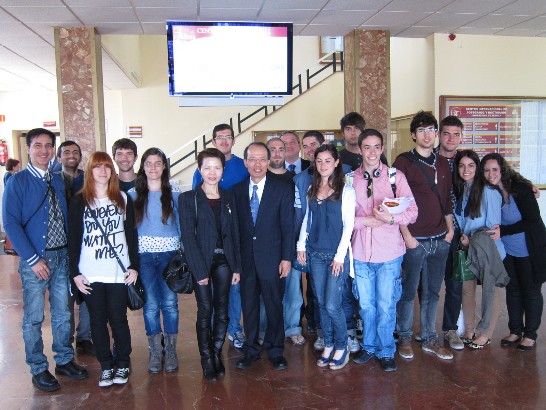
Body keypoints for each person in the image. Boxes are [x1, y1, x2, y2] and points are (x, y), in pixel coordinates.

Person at [2, 128, 87, 392]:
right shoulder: (18, 181)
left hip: (62, 256)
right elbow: (11, 223)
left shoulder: (57, 179)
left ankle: (64, 359)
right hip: (36, 260)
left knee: (63, 314)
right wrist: (32, 259)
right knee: (34, 317)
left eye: (48, 145)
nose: (43, 150)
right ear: (28, 149)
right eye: (37, 145)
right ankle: (38, 368)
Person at [68, 151, 139, 387]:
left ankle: (123, 363)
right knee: (97, 321)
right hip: (90, 272)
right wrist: (75, 274)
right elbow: (74, 239)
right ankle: (106, 366)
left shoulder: (123, 198)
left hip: (118, 272)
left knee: (118, 320)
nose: (102, 171)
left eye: (107, 166)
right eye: (97, 166)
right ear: (90, 171)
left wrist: (134, 266)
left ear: (112, 171)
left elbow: (131, 236)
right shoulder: (79, 201)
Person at [351, 129, 418, 372]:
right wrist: (364, 221)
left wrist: (390, 219)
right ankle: (369, 346)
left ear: (382, 148)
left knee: (386, 305)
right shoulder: (350, 180)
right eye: (366, 147)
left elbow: (412, 212)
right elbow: (343, 218)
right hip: (360, 253)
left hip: (389, 253)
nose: (372, 152)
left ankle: (386, 350)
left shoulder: (395, 177)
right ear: (360, 149)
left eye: (376, 146)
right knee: (366, 306)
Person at [393, 111, 454, 361]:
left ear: (436, 133)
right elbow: (395, 203)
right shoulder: (403, 162)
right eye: (421, 130)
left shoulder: (443, 163)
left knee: (432, 293)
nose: (427, 135)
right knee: (408, 292)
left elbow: (447, 199)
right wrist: (406, 235)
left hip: (440, 238)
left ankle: (429, 339)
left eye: (431, 130)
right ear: (413, 135)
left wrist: (450, 231)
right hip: (414, 239)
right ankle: (405, 337)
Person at [180, 148, 242, 381]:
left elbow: (235, 234)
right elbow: (188, 237)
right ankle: (206, 358)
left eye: (217, 167)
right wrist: (199, 271)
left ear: (223, 170)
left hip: (225, 261)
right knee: (205, 310)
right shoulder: (189, 198)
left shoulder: (229, 197)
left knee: (222, 310)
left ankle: (216, 353)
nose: (212, 172)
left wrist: (237, 267)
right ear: (200, 170)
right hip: (202, 262)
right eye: (207, 167)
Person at [232, 142, 294, 371]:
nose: (257, 164)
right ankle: (251, 349)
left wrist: (286, 258)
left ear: (268, 162)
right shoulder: (236, 191)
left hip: (273, 259)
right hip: (246, 261)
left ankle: (276, 350)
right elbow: (235, 230)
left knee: (274, 305)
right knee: (249, 307)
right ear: (245, 162)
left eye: (262, 159)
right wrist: (236, 264)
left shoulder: (282, 188)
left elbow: (288, 226)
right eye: (252, 159)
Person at [297, 144, 356, 370]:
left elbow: (348, 226)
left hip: (336, 256)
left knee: (332, 305)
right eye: (319, 161)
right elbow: (307, 219)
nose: (323, 165)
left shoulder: (346, 190)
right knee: (321, 303)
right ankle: (329, 343)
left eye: (327, 161)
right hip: (315, 253)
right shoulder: (312, 188)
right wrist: (301, 245)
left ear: (336, 162)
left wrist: (340, 257)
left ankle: (342, 345)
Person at [192, 124, 249, 351]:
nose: (224, 140)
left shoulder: (242, 166)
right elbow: (196, 206)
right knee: (212, 293)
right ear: (213, 141)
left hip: (234, 238)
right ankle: (215, 333)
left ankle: (234, 329)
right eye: (220, 137)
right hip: (209, 243)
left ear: (234, 140)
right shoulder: (200, 172)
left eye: (228, 137)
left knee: (233, 290)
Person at [482, 153, 546, 351]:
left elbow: (533, 220)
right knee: (513, 289)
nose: (491, 174)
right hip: (508, 250)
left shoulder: (521, 189)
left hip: (529, 248)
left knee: (531, 290)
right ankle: (515, 330)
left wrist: (504, 231)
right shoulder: (490, 191)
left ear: (502, 169)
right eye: (486, 170)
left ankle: (530, 334)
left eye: (494, 169)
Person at [128, 148, 181, 373]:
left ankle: (171, 349)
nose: (153, 167)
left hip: (169, 256)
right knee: (150, 304)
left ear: (164, 166)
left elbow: (182, 225)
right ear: (143, 166)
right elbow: (128, 230)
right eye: (148, 163)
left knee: (169, 303)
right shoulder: (132, 195)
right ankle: (155, 350)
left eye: (157, 163)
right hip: (144, 257)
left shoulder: (174, 193)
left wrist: (184, 254)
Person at [453, 150, 508, 349]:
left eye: (471, 165)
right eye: (461, 165)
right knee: (467, 290)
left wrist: (471, 239)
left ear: (477, 168)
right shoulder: (463, 190)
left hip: (488, 250)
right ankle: (469, 330)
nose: (466, 170)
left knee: (489, 291)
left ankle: (485, 333)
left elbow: (493, 229)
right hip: (468, 250)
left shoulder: (489, 192)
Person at [56, 140, 94, 355]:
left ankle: (84, 336)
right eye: (66, 152)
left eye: (75, 152)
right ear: (59, 157)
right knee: (65, 296)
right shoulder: (53, 180)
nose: (71, 155)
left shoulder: (88, 180)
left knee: (87, 292)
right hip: (61, 245)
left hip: (86, 244)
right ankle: (67, 338)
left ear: (80, 157)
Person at [435, 116, 465, 350]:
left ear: (461, 137)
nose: (451, 139)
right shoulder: (428, 159)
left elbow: (497, 175)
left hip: (457, 233)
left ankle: (450, 329)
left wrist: (525, 184)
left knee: (454, 283)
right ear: (439, 135)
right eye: (447, 133)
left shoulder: (466, 161)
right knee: (426, 285)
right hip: (431, 231)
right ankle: (425, 329)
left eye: (456, 134)